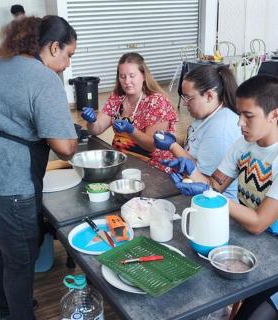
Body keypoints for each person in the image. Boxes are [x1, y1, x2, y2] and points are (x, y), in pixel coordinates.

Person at [0, 15, 78, 320]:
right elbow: (65, 146)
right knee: (20, 263)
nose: (66, 65)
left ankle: (3, 312)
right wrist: (71, 138)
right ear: (53, 46)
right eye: (68, 55)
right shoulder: (42, 77)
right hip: (11, 188)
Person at [161, 75, 278, 319]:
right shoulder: (243, 145)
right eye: (240, 114)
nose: (240, 123)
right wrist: (190, 170)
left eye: (249, 116)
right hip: (248, 241)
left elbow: (258, 223)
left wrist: (208, 191)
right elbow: (214, 185)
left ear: (274, 115)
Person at [154, 64, 241, 200]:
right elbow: (196, 141)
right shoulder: (206, 114)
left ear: (209, 96)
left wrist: (172, 146)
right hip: (193, 185)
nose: (184, 104)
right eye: (183, 98)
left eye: (188, 98)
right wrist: (173, 138)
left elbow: (205, 180)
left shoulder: (221, 130)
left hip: (215, 201)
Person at [81, 52, 178, 172]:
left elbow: (152, 145)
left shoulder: (157, 102)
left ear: (143, 76)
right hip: (123, 161)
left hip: (153, 166)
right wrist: (92, 121)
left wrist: (131, 130)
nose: (127, 81)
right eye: (122, 76)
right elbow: (96, 129)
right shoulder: (117, 98)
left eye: (132, 76)